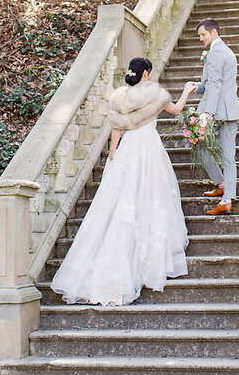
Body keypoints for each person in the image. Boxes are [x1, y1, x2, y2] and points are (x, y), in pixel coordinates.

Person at [50, 57, 196, 306]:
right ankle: (149, 257)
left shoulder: (121, 97)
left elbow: (116, 128)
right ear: (147, 74)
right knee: (153, 195)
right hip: (149, 147)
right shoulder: (155, 95)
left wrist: (113, 152)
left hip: (129, 147)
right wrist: (186, 91)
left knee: (121, 197)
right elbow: (177, 110)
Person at [185, 18, 239, 216]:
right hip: (227, 109)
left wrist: (207, 114)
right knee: (212, 150)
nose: (200, 38)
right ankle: (223, 185)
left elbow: (216, 85)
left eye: (203, 35)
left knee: (207, 148)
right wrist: (196, 86)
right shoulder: (223, 51)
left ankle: (226, 198)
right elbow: (213, 84)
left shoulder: (216, 53)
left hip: (219, 112)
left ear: (214, 32)